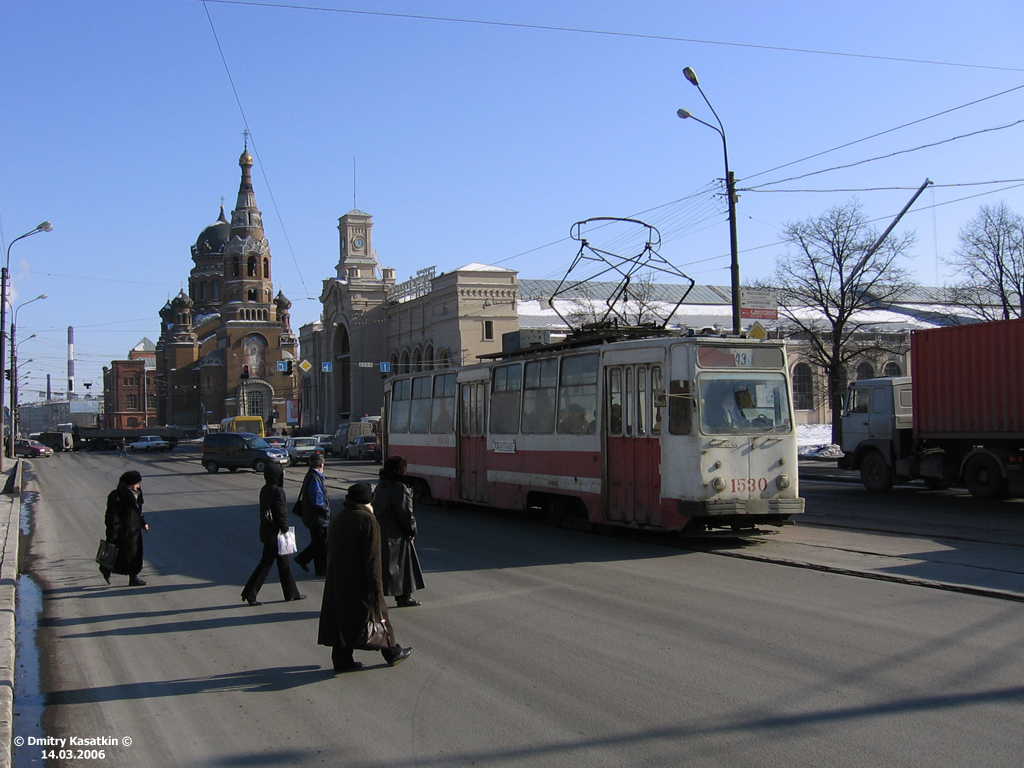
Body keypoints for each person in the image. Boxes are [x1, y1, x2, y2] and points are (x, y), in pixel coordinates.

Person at [318, 483, 413, 672]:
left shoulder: (338, 517)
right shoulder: (368, 520)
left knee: (342, 618)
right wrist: (376, 586)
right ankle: (392, 652)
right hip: (360, 579)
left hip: (338, 578)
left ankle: (342, 659)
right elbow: (373, 558)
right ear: (369, 500)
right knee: (378, 615)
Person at [241, 463, 306, 606]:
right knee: (267, 563)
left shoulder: (265, 489)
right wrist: (285, 530)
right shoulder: (278, 492)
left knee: (283, 564)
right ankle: (250, 594)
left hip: (268, 531)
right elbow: (280, 513)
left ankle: (291, 593)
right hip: (276, 534)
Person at [373, 455, 425, 608]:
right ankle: (404, 596)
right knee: (403, 566)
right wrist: (412, 530)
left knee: (384, 565)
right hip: (396, 532)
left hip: (382, 529)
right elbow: (405, 513)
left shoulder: (381, 485)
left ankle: (378, 596)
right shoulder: (399, 488)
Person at [99, 470, 149, 586]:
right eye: (136, 483)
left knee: (134, 555)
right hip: (123, 532)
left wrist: (142, 523)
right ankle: (106, 568)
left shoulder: (137, 494)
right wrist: (113, 533)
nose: (138, 486)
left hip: (134, 531)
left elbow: (137, 513)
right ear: (130, 483)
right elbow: (112, 516)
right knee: (119, 555)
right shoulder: (117, 496)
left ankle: (133, 577)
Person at [294, 453, 330, 576]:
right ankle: (321, 569)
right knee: (321, 544)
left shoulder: (311, 475)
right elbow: (317, 500)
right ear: (321, 464)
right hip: (316, 517)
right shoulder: (315, 478)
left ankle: (303, 558)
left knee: (318, 542)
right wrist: (325, 511)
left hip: (312, 516)